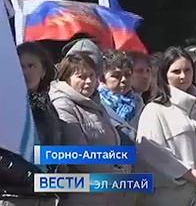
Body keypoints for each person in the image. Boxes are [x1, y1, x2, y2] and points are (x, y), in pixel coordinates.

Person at [135, 47, 196, 206]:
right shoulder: (154, 110)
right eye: (176, 71)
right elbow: (151, 154)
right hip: (171, 198)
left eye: (187, 70)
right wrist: (187, 173)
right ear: (165, 75)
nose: (183, 76)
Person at [49, 53, 132, 206]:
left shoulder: (94, 104)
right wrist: (116, 174)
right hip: (82, 196)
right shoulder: (62, 105)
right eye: (81, 77)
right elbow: (80, 156)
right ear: (67, 79)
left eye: (92, 76)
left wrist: (124, 167)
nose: (88, 81)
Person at [1, 42, 61, 206]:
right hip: (13, 196)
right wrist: (30, 176)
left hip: (44, 197)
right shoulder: (5, 106)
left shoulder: (48, 108)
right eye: (20, 66)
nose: (25, 71)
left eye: (31, 65)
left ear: (43, 71)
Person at [98, 51, 144, 146]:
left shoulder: (138, 102)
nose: (123, 80)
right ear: (102, 78)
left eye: (127, 75)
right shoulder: (96, 101)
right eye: (116, 76)